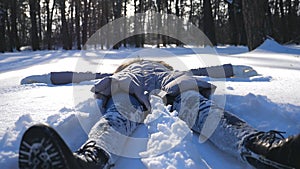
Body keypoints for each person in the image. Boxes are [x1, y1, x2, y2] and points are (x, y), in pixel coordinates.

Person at [19, 60, 300, 169]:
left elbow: (207, 71)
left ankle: (263, 149)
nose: (145, 61)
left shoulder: (171, 70)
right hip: (128, 84)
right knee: (120, 111)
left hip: (173, 81)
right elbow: (81, 74)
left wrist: (237, 69)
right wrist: (45, 76)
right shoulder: (121, 72)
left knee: (197, 105)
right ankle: (89, 161)